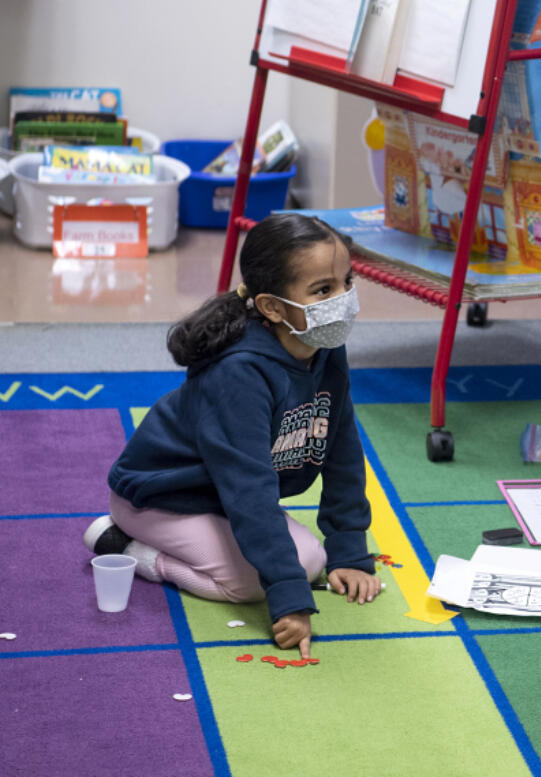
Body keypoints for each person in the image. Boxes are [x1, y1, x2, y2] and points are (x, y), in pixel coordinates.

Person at [83, 214, 381, 659]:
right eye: (323, 290)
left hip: (220, 499)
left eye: (347, 282)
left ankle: (267, 562)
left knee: (314, 561)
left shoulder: (325, 349)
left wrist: (349, 552)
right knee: (251, 585)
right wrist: (289, 598)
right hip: (162, 498)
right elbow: (250, 489)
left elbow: (342, 449)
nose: (343, 300)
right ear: (272, 308)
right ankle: (124, 543)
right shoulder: (239, 374)